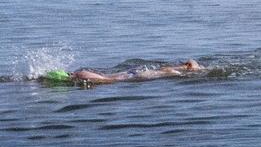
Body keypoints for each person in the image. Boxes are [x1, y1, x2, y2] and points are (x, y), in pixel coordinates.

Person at [69, 59, 204, 84]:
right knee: (108, 79)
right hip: (137, 74)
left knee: (108, 79)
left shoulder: (173, 71)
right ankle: (80, 76)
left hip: (135, 73)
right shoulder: (174, 72)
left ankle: (77, 75)